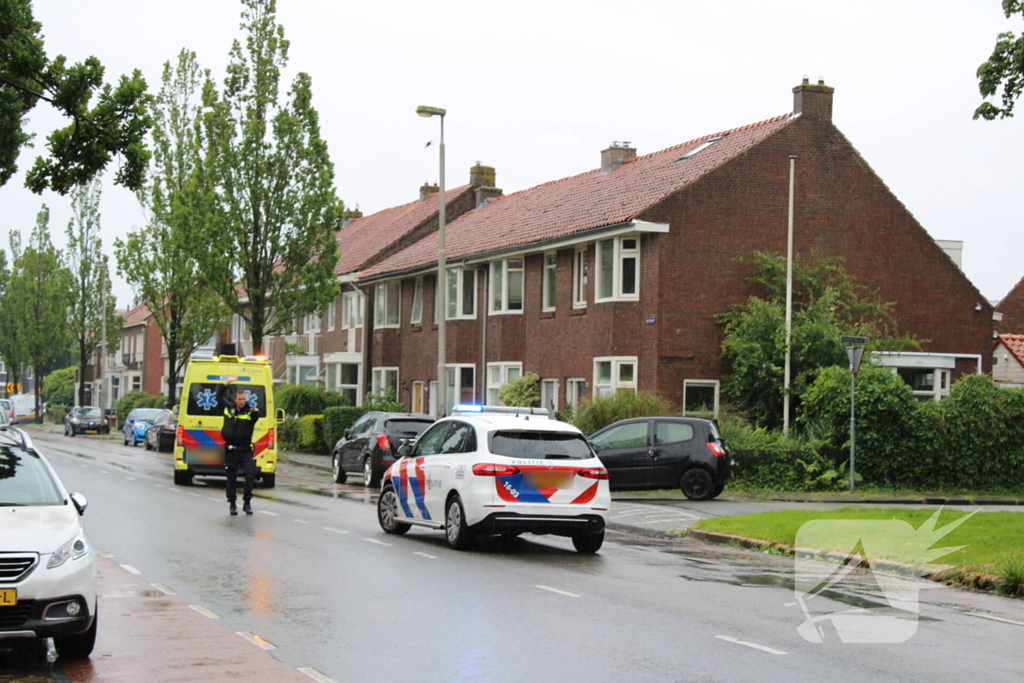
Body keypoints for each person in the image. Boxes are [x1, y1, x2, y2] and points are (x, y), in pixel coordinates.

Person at [216, 377, 260, 515]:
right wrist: (225, 383)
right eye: (239, 399)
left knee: (249, 475)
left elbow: (255, 417)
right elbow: (218, 396)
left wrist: (255, 412)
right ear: (234, 400)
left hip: (245, 450)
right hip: (230, 450)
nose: (242, 401)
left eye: (244, 399)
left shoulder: (250, 412)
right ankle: (232, 503)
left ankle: (247, 502)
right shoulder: (228, 409)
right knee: (231, 478)